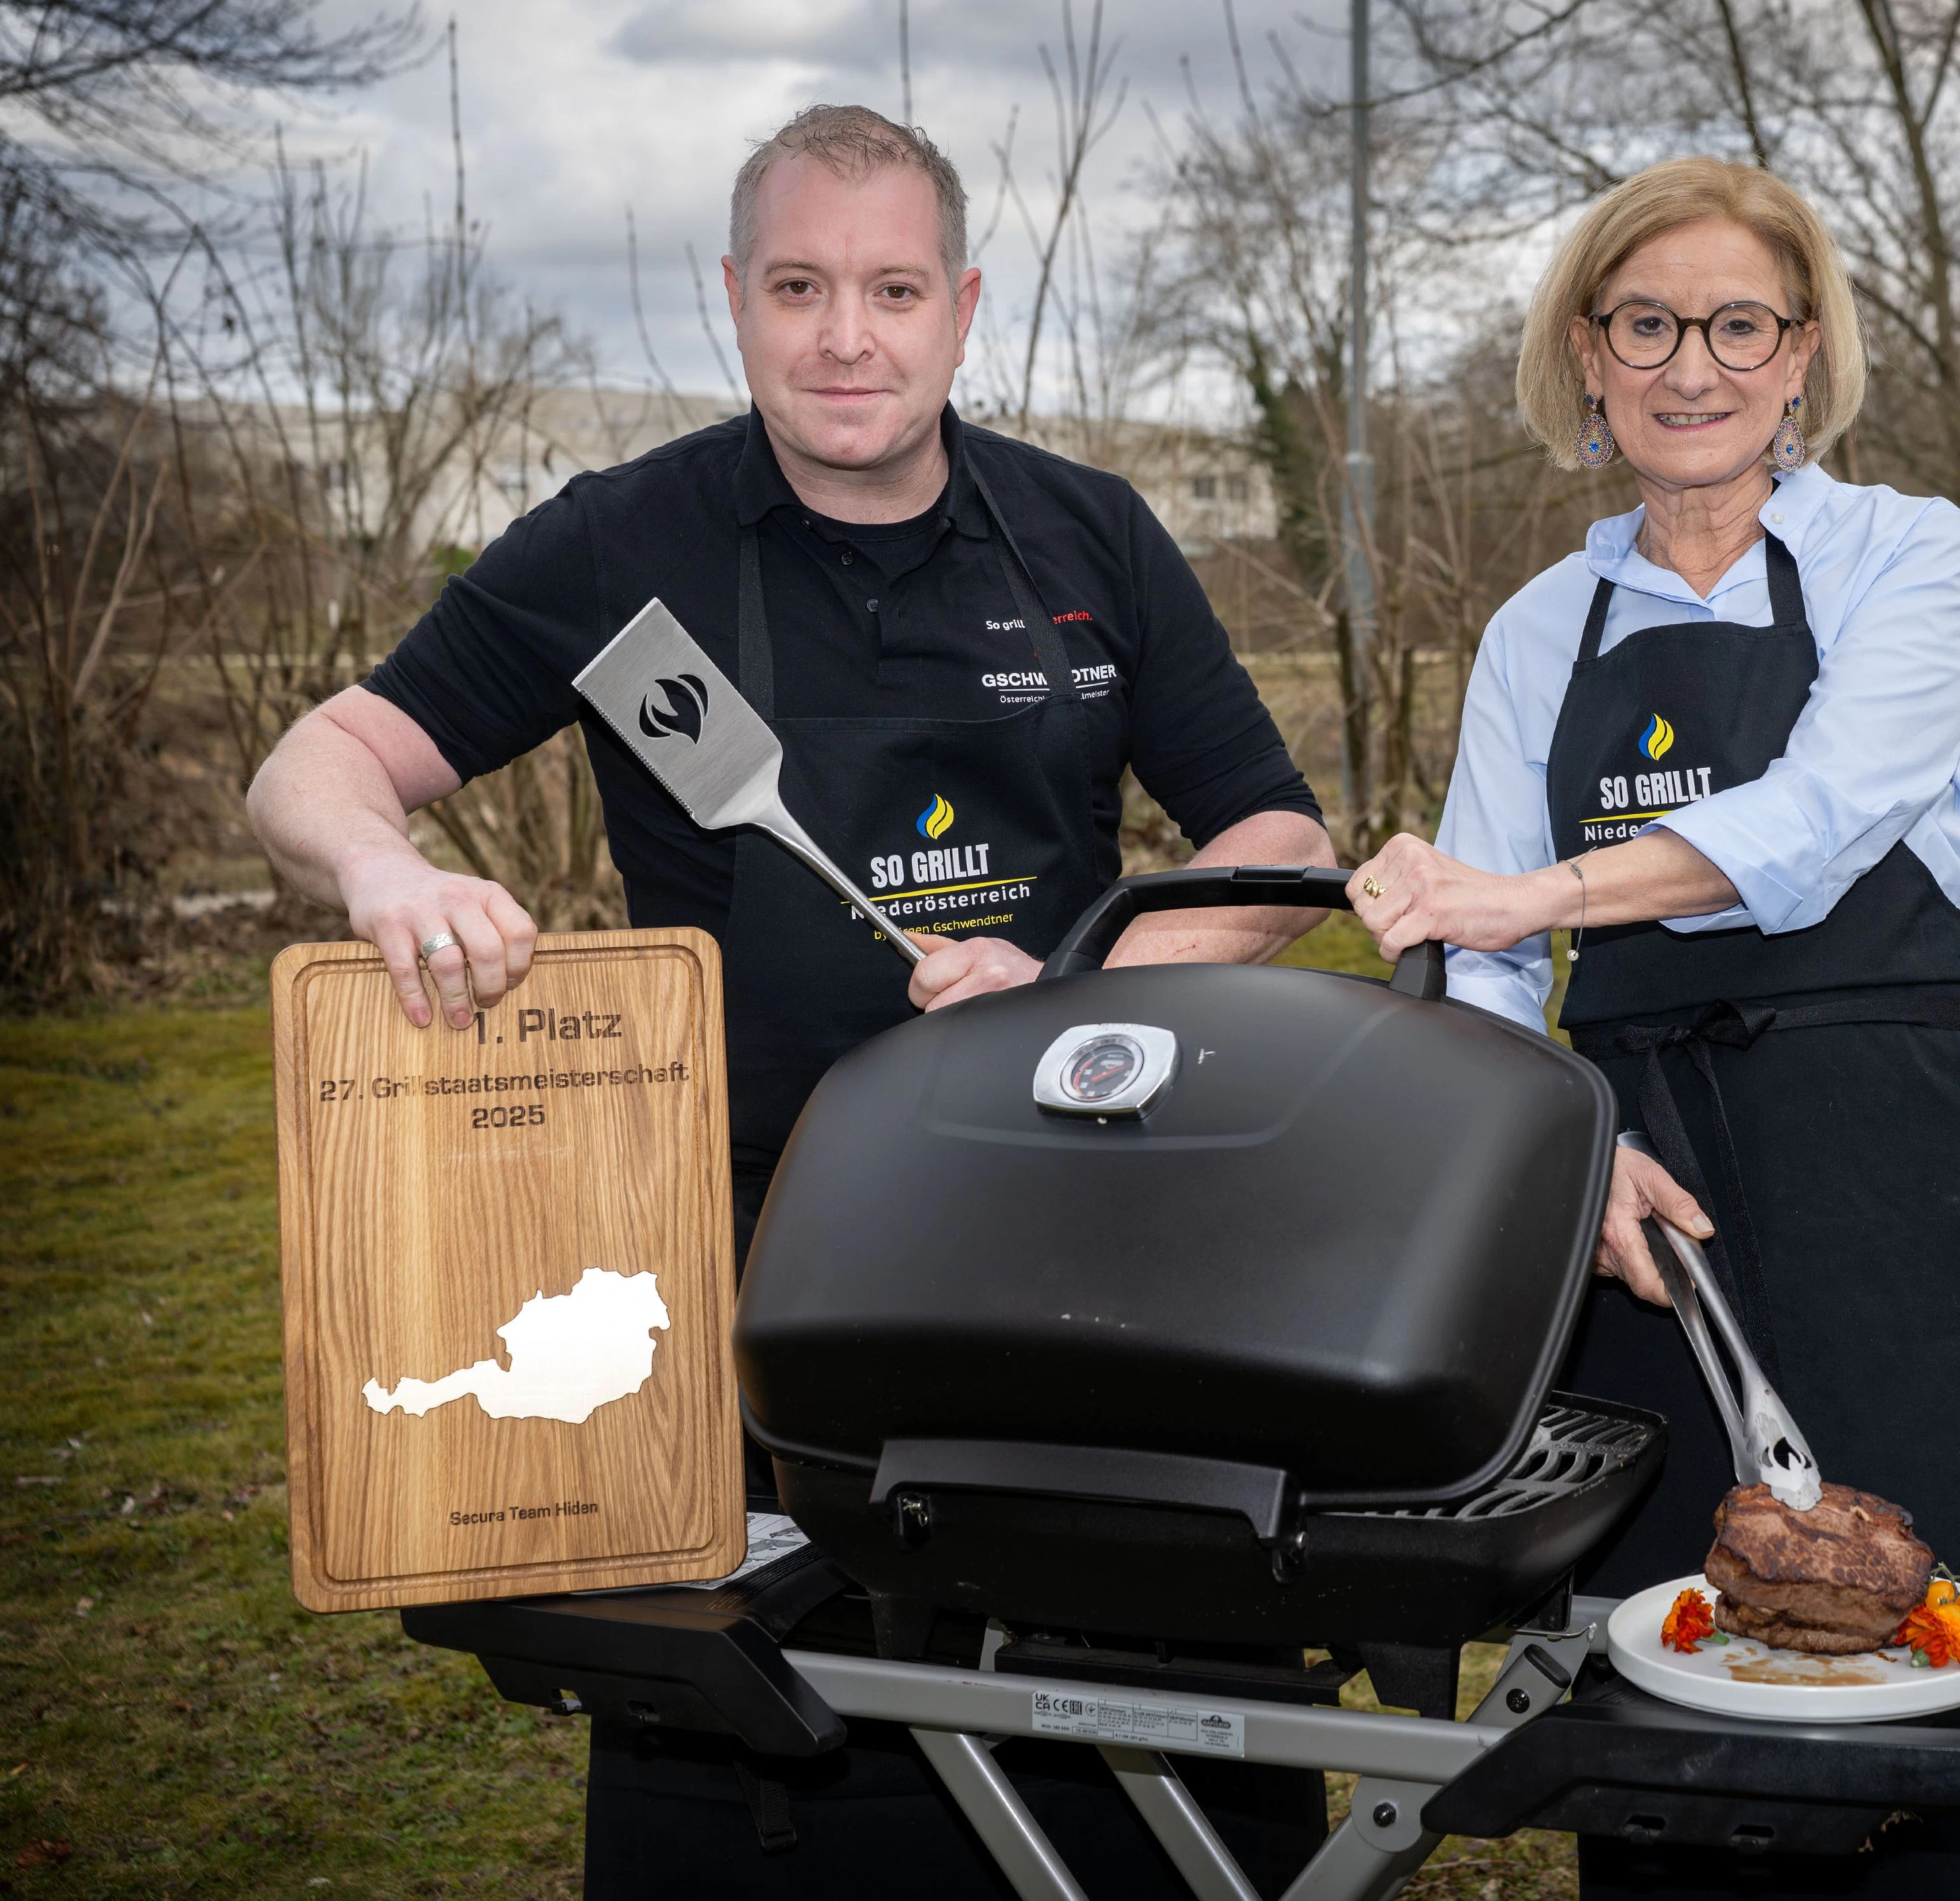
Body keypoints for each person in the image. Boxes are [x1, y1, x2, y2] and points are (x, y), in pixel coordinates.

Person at [250, 104, 1334, 1900]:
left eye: (892, 288)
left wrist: (1083, 987)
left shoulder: (1092, 533)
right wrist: (387, 872)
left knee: (1126, 1682)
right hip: (751, 1251)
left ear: (963, 306)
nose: (848, 334)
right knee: (771, 1716)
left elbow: (1277, 838)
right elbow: (324, 758)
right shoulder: (621, 544)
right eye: (802, 286)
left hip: (1086, 1213)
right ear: (735, 301)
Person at [1344, 157, 1960, 1897]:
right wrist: (1569, 1159)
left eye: (1735, 324)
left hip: (1886, 1153)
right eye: (1647, 324)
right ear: (1588, 352)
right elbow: (1479, 989)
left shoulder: (1904, 557)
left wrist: (1530, 897)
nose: (1689, 366)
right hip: (1643, 1191)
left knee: (1957, 1596)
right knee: (1675, 1654)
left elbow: (1811, 824)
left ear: (1799, 356)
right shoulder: (1537, 631)